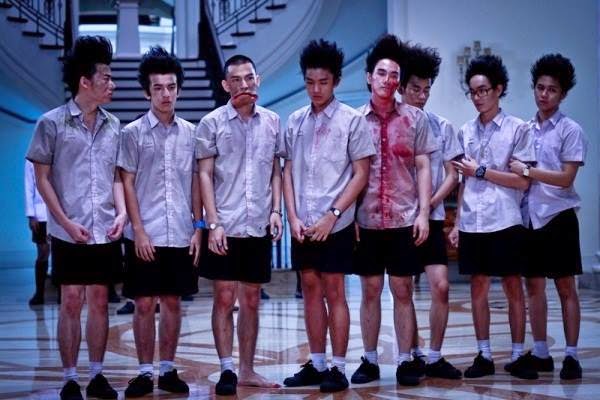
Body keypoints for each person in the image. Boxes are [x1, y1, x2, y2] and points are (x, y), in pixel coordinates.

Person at [26, 35, 125, 400]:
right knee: (70, 300)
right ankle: (69, 378)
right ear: (85, 81)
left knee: (99, 300)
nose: (112, 84)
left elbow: (117, 177)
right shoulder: (51, 124)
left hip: (105, 230)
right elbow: (42, 179)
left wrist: (123, 214)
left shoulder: (114, 125)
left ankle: (97, 375)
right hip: (69, 230)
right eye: (106, 77)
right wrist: (65, 223)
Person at [282, 39, 375, 393]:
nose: (316, 89)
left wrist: (333, 215)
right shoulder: (295, 121)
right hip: (303, 222)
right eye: (309, 82)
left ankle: (338, 367)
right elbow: (287, 172)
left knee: (335, 290)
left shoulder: (352, 121)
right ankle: (317, 363)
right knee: (309, 289)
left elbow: (361, 174)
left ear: (336, 80)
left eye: (323, 82)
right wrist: (291, 217)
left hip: (336, 223)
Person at [350, 35, 437, 387]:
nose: (388, 80)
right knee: (370, 290)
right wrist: (349, 216)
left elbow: (424, 167)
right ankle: (369, 360)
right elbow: (350, 173)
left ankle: (404, 359)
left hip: (404, 218)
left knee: (403, 290)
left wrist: (423, 213)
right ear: (369, 77)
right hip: (367, 221)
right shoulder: (355, 120)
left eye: (394, 74)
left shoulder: (415, 119)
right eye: (382, 73)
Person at [196, 54, 283, 396]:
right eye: (236, 80)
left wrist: (276, 211)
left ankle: (247, 368)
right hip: (225, 224)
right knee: (223, 297)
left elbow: (276, 171)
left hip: (257, 223)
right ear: (225, 85)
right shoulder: (211, 123)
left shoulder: (272, 121)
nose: (244, 85)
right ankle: (227, 368)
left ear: (257, 79)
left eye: (249, 78)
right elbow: (204, 175)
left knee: (252, 299)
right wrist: (212, 222)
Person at [118, 46, 201, 397]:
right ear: (146, 92)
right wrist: (137, 230)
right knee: (143, 303)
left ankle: (167, 370)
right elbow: (126, 183)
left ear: (178, 89)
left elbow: (196, 182)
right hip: (145, 232)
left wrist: (198, 227)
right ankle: (143, 372)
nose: (166, 94)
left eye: (171, 87)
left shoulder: (192, 133)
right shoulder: (132, 133)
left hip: (180, 231)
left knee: (172, 302)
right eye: (158, 88)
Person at [451, 54, 538, 380]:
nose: (478, 97)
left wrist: (482, 171)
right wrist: (457, 222)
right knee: (478, 287)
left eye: (484, 90)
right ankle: (484, 354)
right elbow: (463, 181)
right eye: (473, 92)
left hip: (506, 218)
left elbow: (522, 181)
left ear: (498, 89)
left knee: (514, 285)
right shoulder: (465, 131)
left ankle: (518, 354)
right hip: (473, 219)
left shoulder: (518, 129)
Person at [508, 54, 586, 380]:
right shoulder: (524, 129)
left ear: (563, 94)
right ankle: (541, 352)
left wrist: (528, 171)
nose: (544, 94)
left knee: (566, 287)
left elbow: (566, 178)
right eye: (540, 87)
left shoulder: (571, 130)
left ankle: (571, 355)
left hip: (559, 216)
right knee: (533, 287)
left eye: (552, 89)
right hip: (530, 219)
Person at [398, 43, 463, 379]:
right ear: (401, 87)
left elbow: (453, 174)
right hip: (399, 223)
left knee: (441, 286)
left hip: (432, 219)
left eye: (426, 90)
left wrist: (429, 204)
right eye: (415, 89)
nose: (422, 96)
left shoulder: (442, 126)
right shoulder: (390, 126)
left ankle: (435, 356)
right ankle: (413, 354)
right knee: (403, 290)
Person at [25, 159, 50, 306]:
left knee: (59, 254)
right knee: (43, 253)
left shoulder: (59, 153)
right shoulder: (31, 159)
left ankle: (61, 294)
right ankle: (39, 293)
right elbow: (29, 186)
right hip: (40, 214)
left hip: (58, 213)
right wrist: (31, 215)